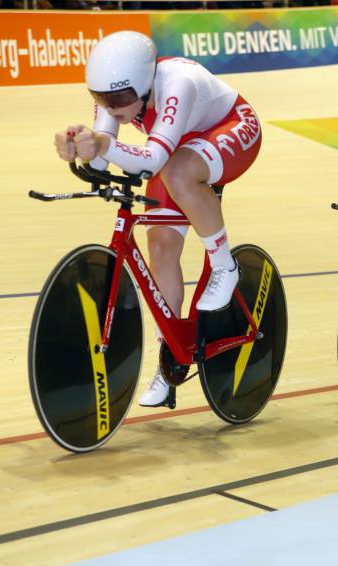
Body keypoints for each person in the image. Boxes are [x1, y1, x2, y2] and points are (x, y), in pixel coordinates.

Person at [53, 30, 262, 407]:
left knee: (179, 173)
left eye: (120, 99)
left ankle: (224, 265)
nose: (112, 108)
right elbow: (103, 157)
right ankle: (171, 359)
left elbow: (151, 162)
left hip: (231, 126)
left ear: (146, 85)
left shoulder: (176, 83)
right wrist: (80, 147)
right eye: (101, 100)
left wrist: (105, 145)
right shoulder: (118, 93)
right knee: (162, 246)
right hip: (178, 146)